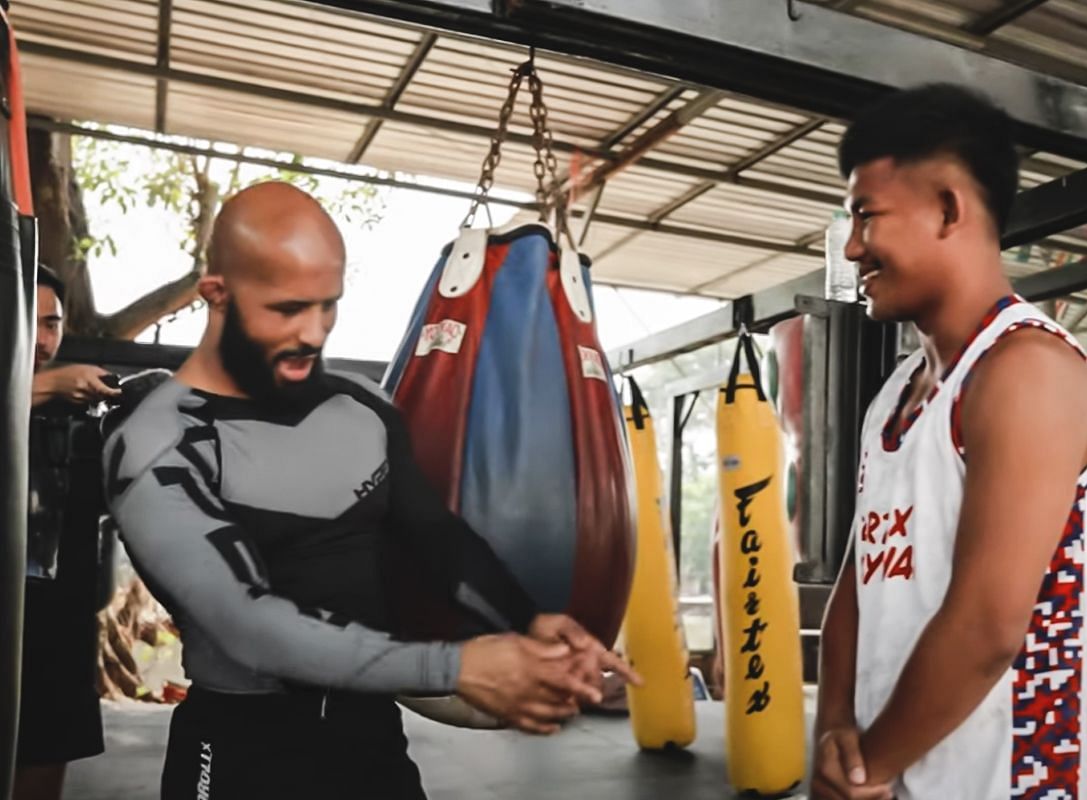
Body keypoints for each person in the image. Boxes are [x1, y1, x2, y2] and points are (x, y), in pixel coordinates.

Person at [101, 181, 637, 800]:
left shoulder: (360, 409)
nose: (309, 328)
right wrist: (456, 667)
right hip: (240, 746)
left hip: (369, 737)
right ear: (217, 294)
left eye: (324, 301)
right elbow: (245, 622)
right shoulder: (154, 438)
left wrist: (532, 619)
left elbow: (433, 533)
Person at [813, 85, 1087, 800]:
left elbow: (987, 626)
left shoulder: (1027, 371)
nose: (853, 247)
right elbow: (854, 595)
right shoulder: (895, 397)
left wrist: (866, 770)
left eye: (867, 216)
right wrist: (834, 737)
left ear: (949, 209)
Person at [15, 266, 119, 800]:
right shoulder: (47, 389)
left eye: (52, 323)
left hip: (57, 622)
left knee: (45, 754)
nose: (43, 338)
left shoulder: (76, 411)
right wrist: (46, 384)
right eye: (27, 320)